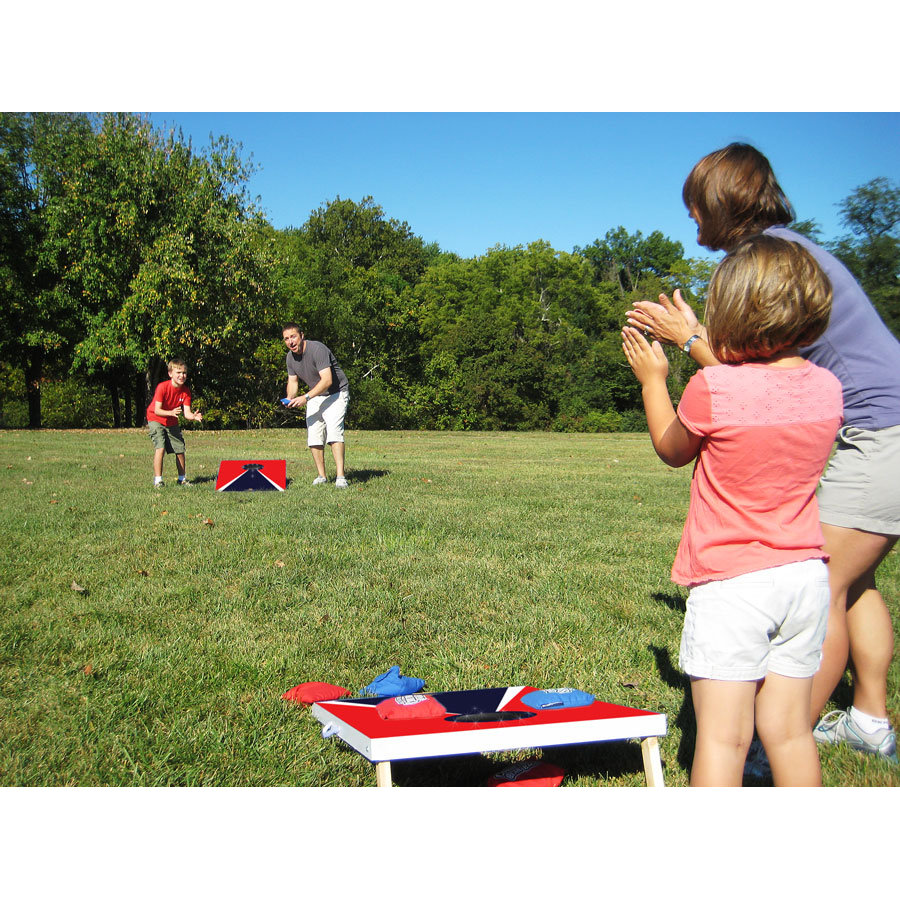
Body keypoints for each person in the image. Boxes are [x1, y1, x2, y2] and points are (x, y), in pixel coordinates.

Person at [627, 143, 900, 764]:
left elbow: (749, 389)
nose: (691, 219)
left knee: (830, 585)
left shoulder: (764, 262)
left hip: (880, 431)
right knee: (855, 581)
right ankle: (868, 719)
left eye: (696, 206)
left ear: (720, 202)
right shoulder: (791, 252)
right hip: (884, 425)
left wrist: (687, 342)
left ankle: (770, 748)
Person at [623, 234, 843, 786]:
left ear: (733, 312)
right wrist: (694, 339)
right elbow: (767, 390)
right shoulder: (827, 387)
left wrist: (653, 381)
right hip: (805, 578)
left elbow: (672, 449)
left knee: (724, 738)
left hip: (733, 584)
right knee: (789, 732)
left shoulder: (712, 387)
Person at [282, 323, 350, 488]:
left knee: (334, 432)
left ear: (302, 335)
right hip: (315, 395)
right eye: (286, 339)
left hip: (336, 393)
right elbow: (293, 382)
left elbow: (327, 380)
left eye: (293, 337)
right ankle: (321, 476)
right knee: (314, 435)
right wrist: (290, 398)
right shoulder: (290, 358)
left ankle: (340, 477)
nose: (291, 342)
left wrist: (305, 397)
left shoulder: (317, 349)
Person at [146, 357, 203, 488]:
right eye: (178, 372)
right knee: (160, 447)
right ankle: (158, 481)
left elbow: (187, 413)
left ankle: (182, 479)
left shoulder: (186, 391)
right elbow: (157, 410)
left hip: (171, 421)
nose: (182, 376)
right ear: (170, 373)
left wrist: (193, 417)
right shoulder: (162, 387)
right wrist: (171, 412)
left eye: (184, 373)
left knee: (180, 449)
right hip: (156, 418)